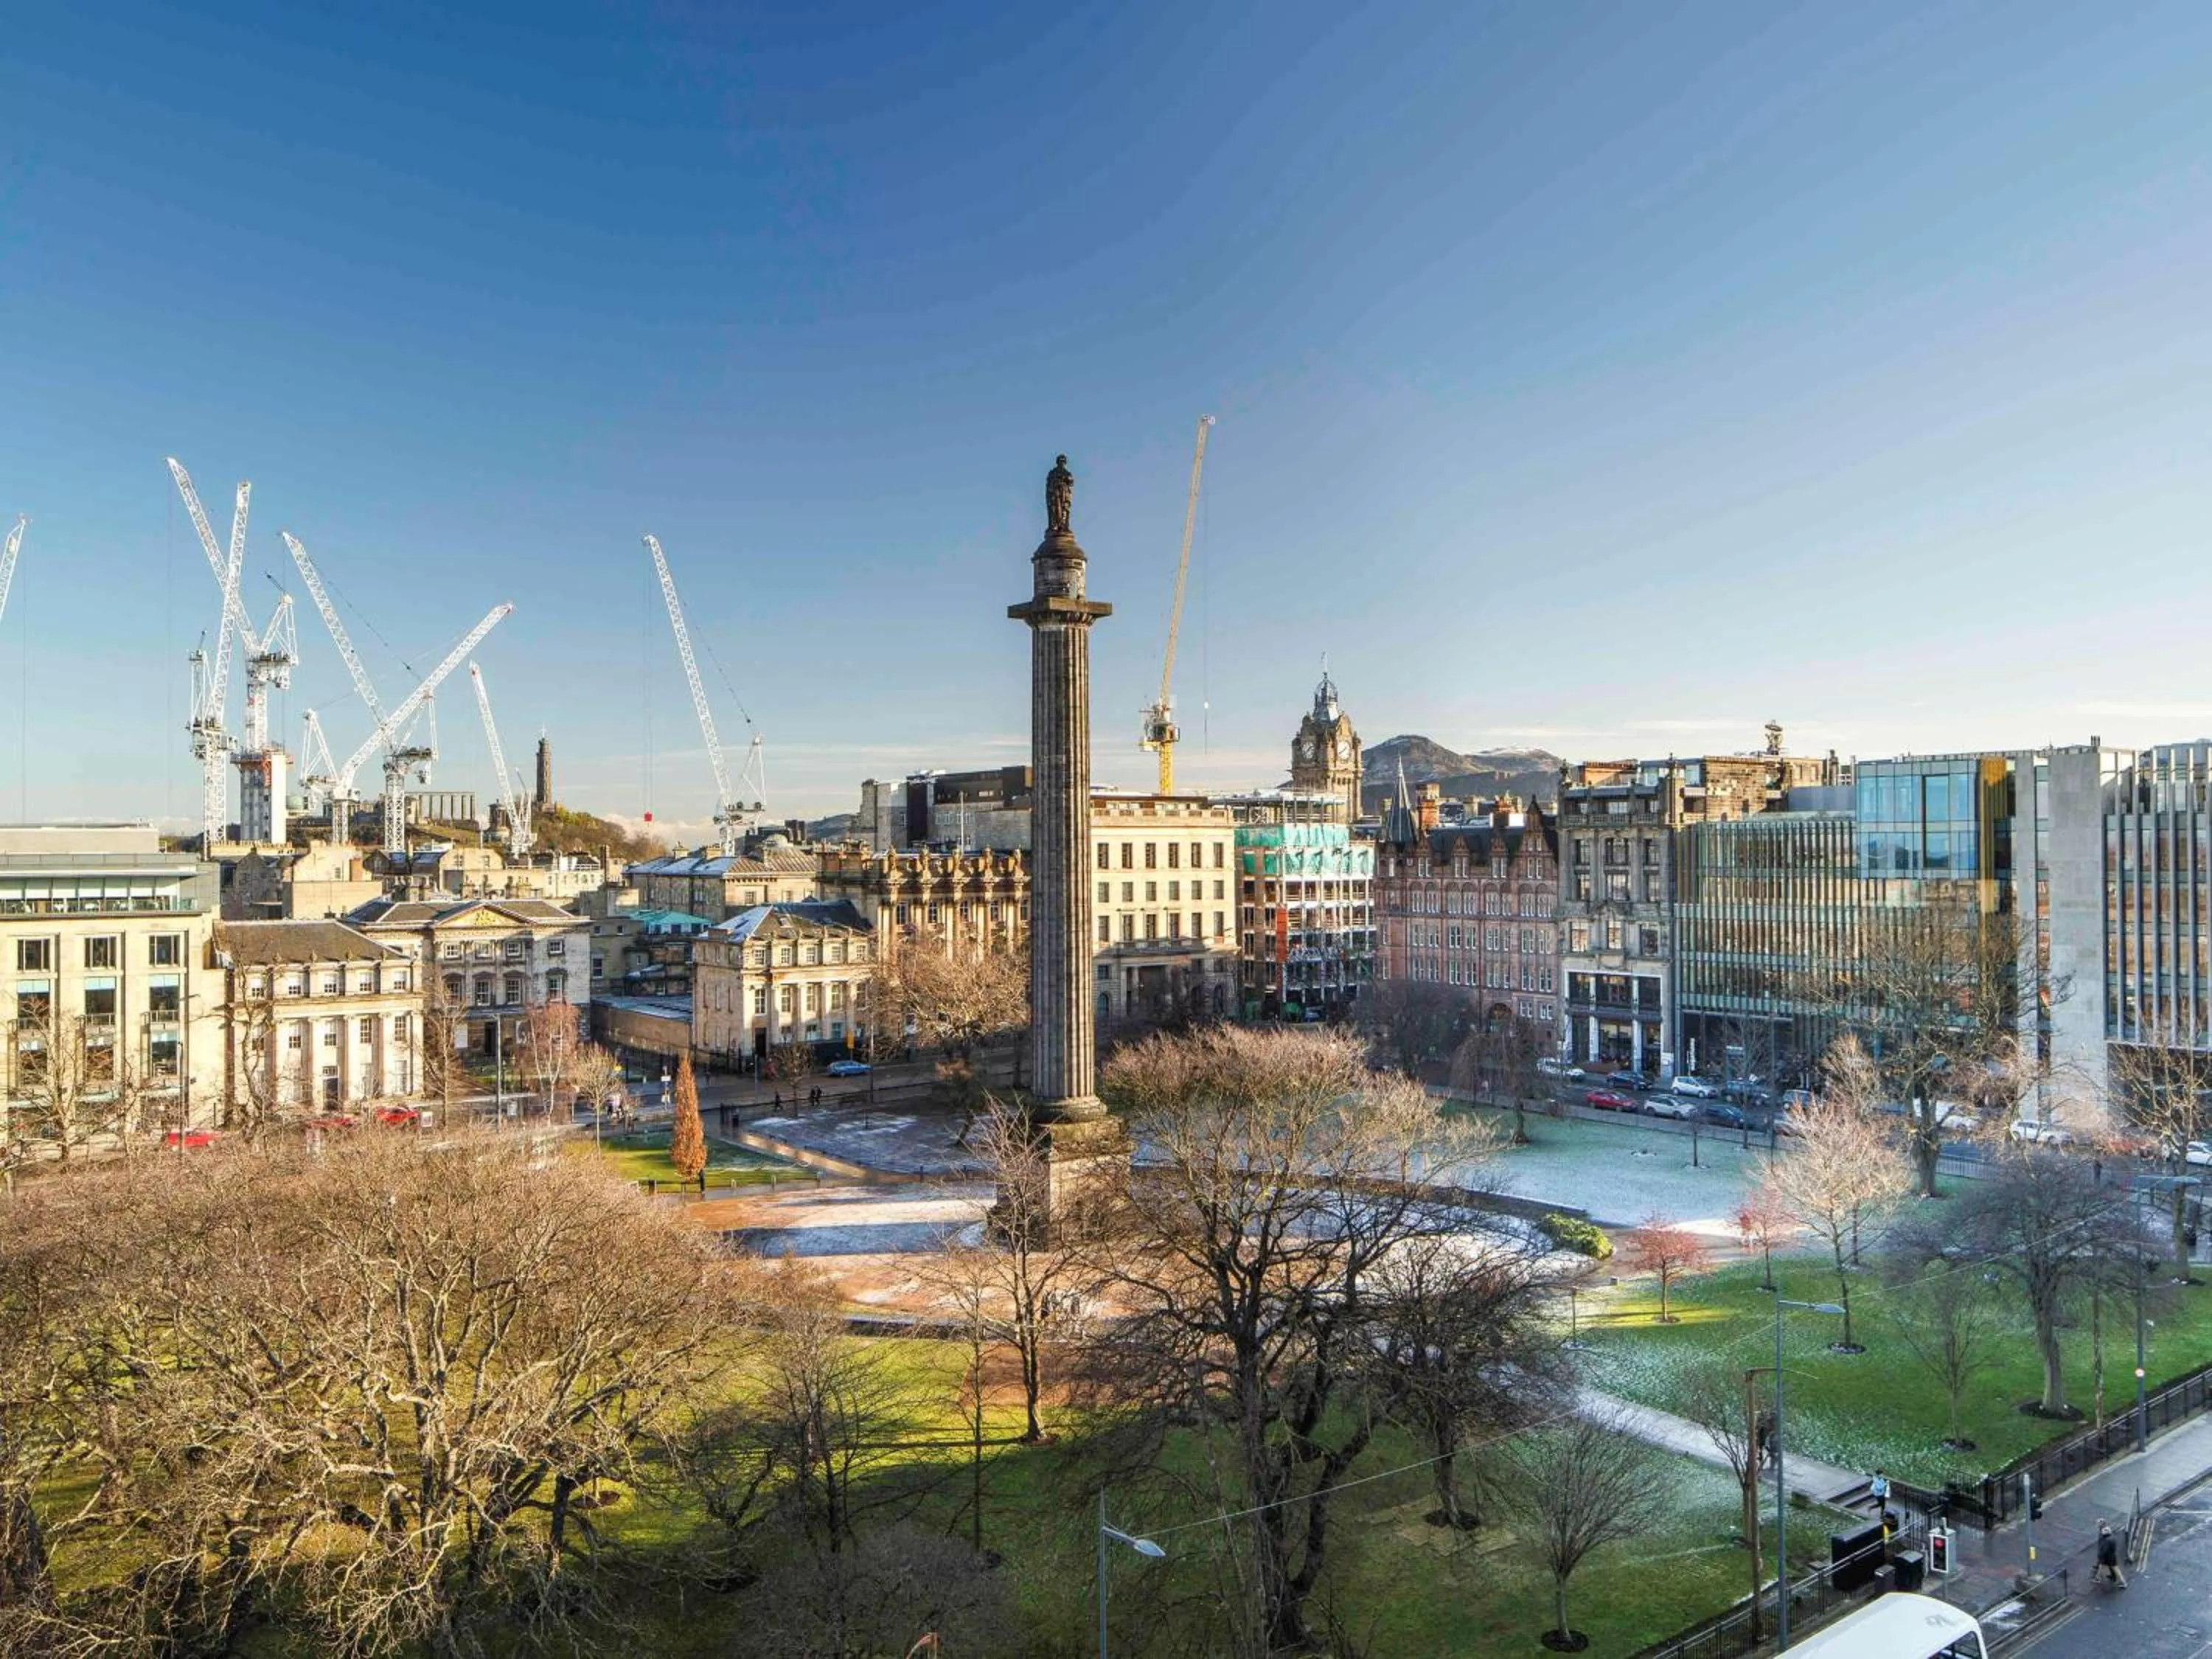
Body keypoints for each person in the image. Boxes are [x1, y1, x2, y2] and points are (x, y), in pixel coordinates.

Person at [2095, 1520, 2127, 1587]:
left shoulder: (2107, 1540)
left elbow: (2104, 1550)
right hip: (2112, 1556)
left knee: (2114, 1569)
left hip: (2108, 1557)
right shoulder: (2112, 1537)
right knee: (2106, 1567)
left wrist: (2101, 1555)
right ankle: (2098, 1578)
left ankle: (2123, 1583)